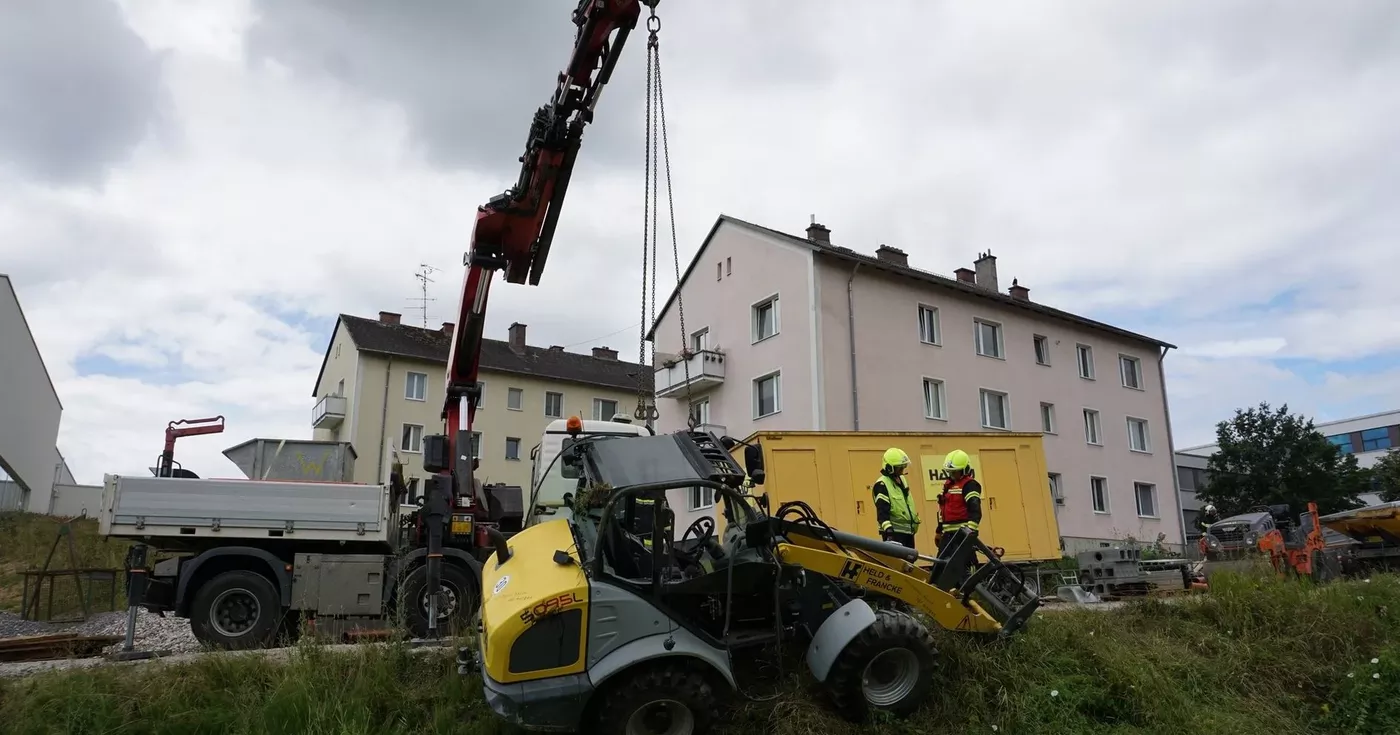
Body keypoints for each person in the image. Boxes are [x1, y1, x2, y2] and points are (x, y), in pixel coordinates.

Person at [936, 449, 983, 552]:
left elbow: (975, 510)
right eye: (950, 472)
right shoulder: (948, 485)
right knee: (942, 566)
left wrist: (970, 531)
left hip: (963, 533)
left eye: (954, 472)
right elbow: (942, 510)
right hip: (948, 534)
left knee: (966, 564)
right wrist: (939, 530)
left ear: (964, 470)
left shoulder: (969, 485)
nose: (952, 475)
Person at [873, 447, 921, 549]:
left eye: (903, 467)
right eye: (899, 468)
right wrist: (888, 531)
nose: (902, 470)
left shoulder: (902, 480)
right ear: (890, 468)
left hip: (908, 531)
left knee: (910, 561)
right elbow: (882, 512)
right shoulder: (882, 484)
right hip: (893, 534)